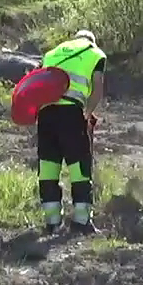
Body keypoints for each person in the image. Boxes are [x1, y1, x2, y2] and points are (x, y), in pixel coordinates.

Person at [37, 29, 106, 234]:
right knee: (79, 166)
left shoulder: (52, 52)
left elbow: (36, 83)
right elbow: (97, 89)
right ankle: (81, 221)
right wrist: (88, 113)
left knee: (48, 165)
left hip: (46, 113)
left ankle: (52, 222)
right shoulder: (96, 54)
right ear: (91, 41)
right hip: (71, 112)